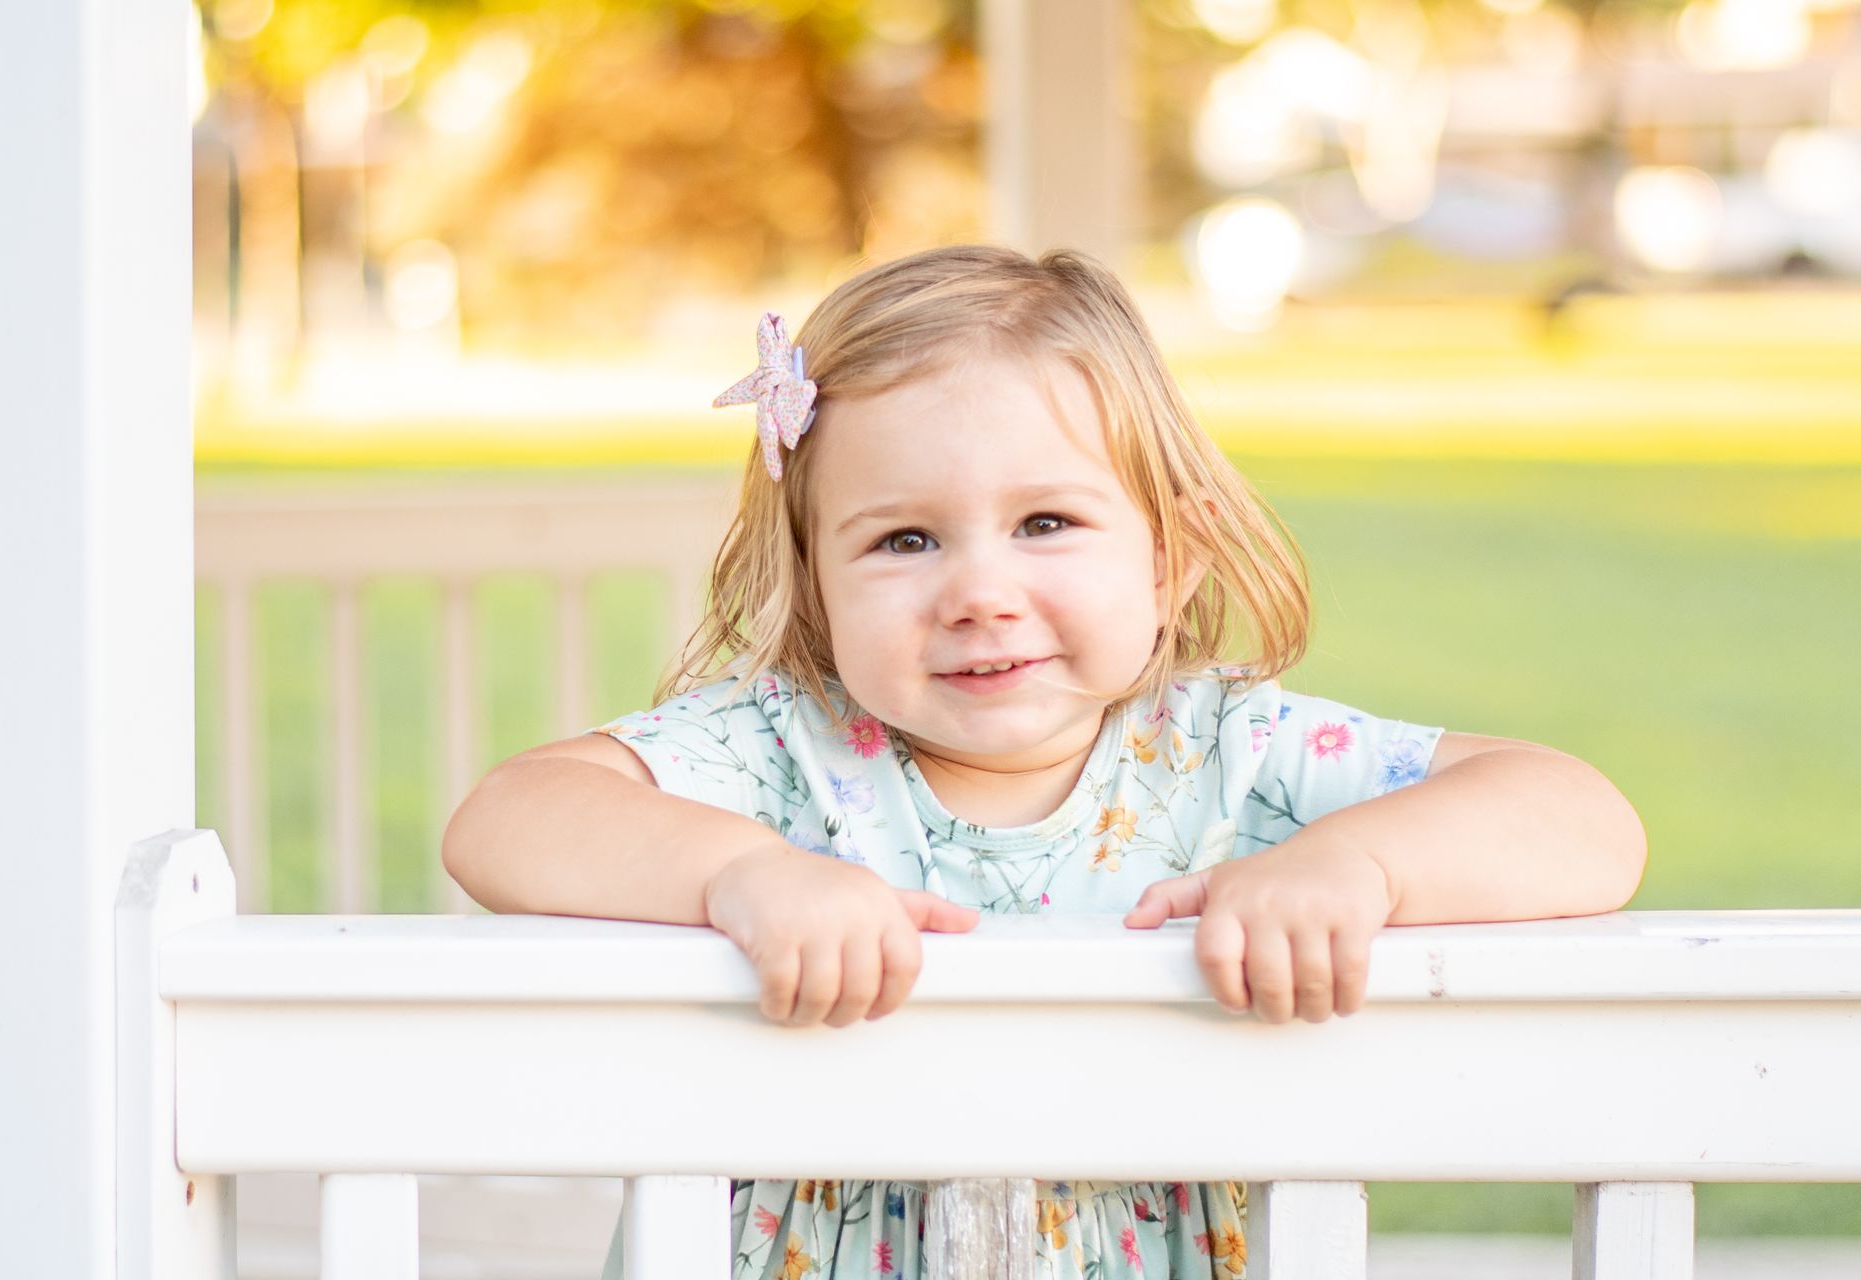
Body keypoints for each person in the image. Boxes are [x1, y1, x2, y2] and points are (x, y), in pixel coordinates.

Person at [442, 245, 1647, 1280]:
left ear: (1168, 558)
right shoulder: (780, 751)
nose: (979, 592)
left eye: (1047, 524)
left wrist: (1355, 867)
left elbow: (1583, 818)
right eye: (903, 538)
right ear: (814, 582)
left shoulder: (1226, 753)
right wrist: (741, 875)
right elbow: (508, 817)